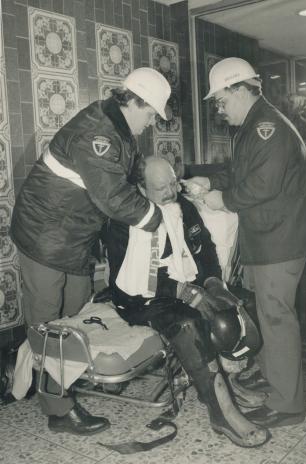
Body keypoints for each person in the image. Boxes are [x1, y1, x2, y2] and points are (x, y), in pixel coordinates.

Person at [10, 67, 171, 435]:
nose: (151, 122)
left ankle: (63, 380)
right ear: (134, 101)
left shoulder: (120, 131)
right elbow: (112, 195)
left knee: (77, 311)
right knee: (49, 322)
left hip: (73, 234)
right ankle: (57, 410)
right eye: (150, 113)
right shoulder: (98, 131)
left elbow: (124, 182)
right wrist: (156, 216)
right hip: (43, 235)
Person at [182, 57, 306, 428]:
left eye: (222, 100)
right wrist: (211, 182)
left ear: (241, 89)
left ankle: (287, 405)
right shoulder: (251, 126)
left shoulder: (267, 126)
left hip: (280, 242)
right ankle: (275, 380)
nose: (220, 108)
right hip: (269, 239)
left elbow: (263, 185)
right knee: (269, 316)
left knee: (277, 320)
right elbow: (240, 171)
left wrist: (221, 200)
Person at [100, 156, 270, 448]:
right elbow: (131, 281)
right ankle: (222, 413)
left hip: (186, 286)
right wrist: (184, 292)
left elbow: (204, 251)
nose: (170, 193)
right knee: (188, 325)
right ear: (141, 189)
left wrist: (214, 283)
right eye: (160, 188)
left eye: (172, 184)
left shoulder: (183, 207)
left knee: (241, 306)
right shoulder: (122, 221)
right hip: (142, 299)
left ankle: (229, 383)